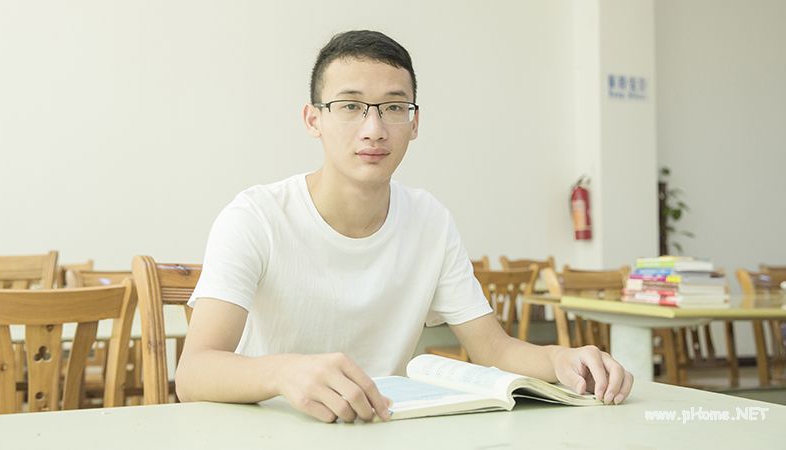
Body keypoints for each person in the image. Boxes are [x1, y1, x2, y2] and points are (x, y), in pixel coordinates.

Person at [175, 30, 633, 423]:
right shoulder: (256, 217)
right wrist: (284, 372)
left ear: (414, 123)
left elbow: (493, 349)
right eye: (351, 106)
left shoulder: (430, 220)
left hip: (381, 428)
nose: (374, 129)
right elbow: (193, 373)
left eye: (394, 107)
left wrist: (562, 358)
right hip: (268, 430)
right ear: (314, 119)